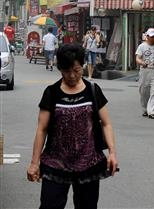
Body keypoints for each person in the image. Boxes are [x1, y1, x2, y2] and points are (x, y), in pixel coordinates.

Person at [27, 43, 118, 209]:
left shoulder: (92, 90)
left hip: (88, 164)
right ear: (60, 68)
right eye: (67, 71)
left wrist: (112, 152)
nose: (72, 76)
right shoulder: (52, 92)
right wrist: (34, 163)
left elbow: (106, 123)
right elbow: (42, 129)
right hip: (56, 164)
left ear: (82, 66)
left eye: (76, 70)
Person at [135, 28, 154, 119]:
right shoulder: (142, 46)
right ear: (147, 36)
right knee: (144, 92)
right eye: (151, 36)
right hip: (145, 71)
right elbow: (137, 58)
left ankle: (152, 111)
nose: (152, 38)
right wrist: (142, 63)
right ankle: (145, 109)